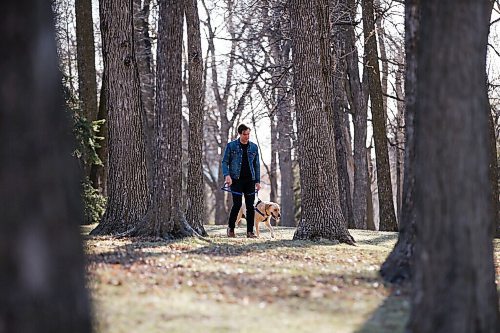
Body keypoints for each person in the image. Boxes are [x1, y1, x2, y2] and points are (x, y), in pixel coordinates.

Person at [222, 124, 261, 238]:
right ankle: (231, 229)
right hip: (236, 180)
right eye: (245, 134)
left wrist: (257, 181)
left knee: (250, 206)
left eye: (248, 134)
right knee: (237, 204)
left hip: (250, 180)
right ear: (240, 134)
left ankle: (250, 232)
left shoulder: (254, 147)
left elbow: (256, 165)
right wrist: (227, 175)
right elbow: (225, 162)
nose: (247, 136)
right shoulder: (231, 146)